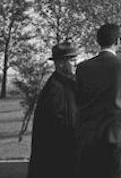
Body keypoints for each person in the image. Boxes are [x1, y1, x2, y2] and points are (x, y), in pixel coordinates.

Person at [75, 23, 121, 178]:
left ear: (98, 41)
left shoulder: (82, 67)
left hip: (88, 136)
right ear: (118, 41)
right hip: (116, 134)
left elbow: (78, 98)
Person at [28, 42, 80, 178]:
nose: (76, 64)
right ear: (60, 63)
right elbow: (60, 124)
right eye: (72, 60)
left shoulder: (65, 83)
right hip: (58, 159)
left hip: (64, 156)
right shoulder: (55, 89)